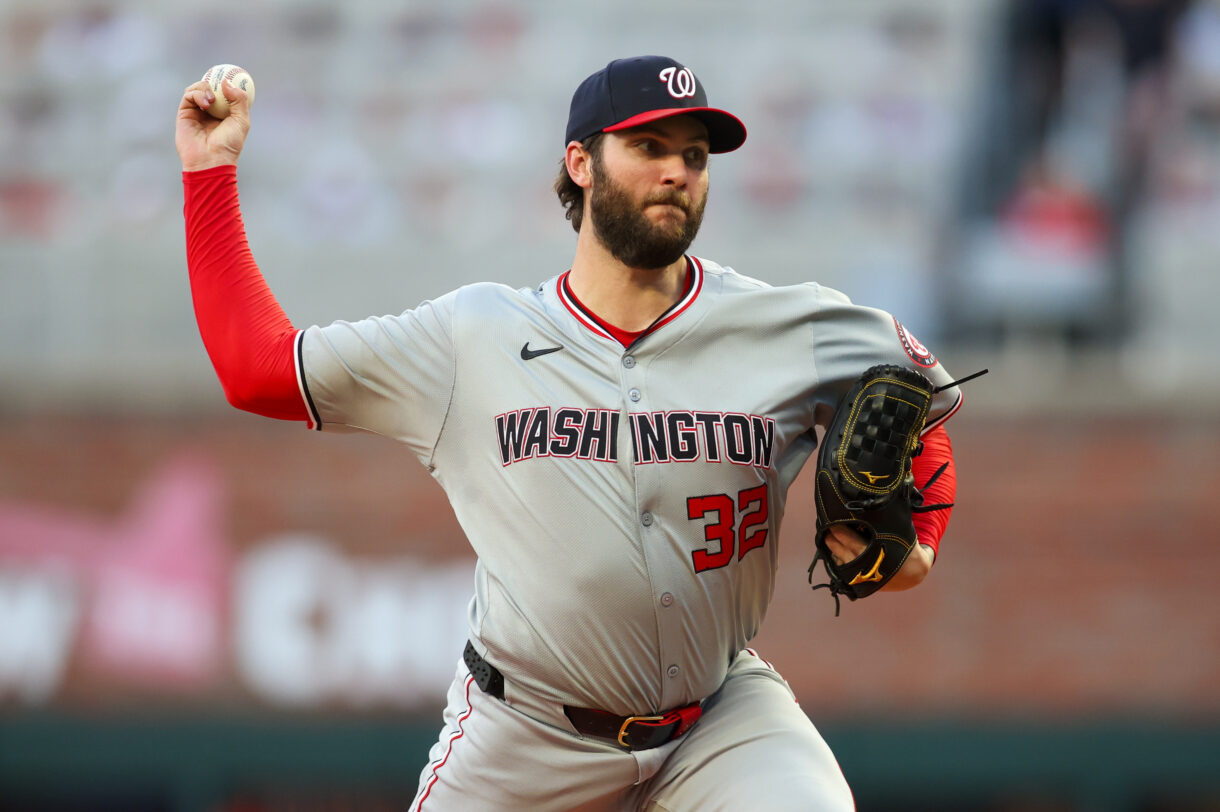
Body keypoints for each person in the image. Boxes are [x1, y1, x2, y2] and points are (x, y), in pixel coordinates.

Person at [176, 54, 964, 812]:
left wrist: (918, 544)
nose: (676, 172)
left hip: (718, 718)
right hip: (525, 732)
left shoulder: (789, 326)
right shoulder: (474, 335)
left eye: (695, 155)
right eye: (648, 147)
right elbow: (259, 371)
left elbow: (918, 399)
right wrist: (209, 176)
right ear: (581, 163)